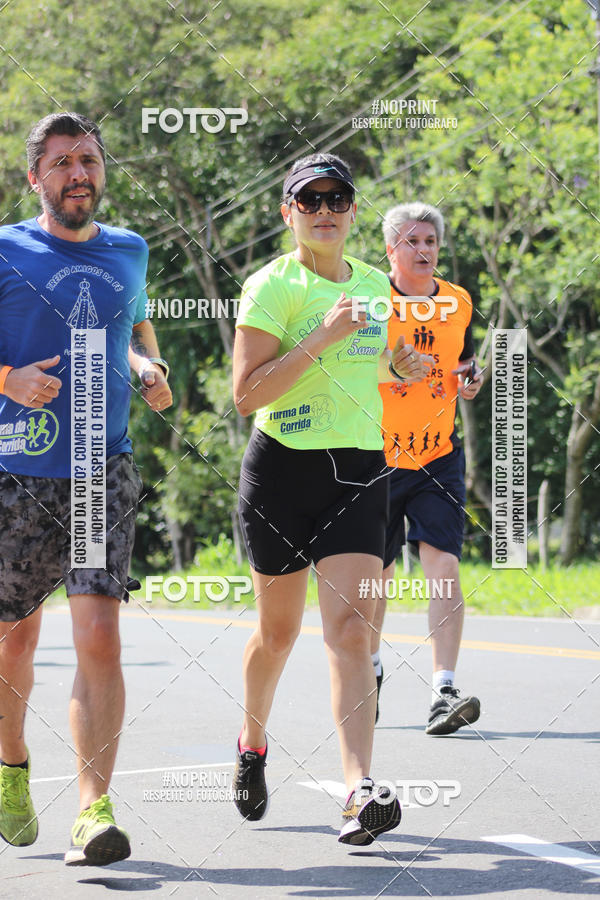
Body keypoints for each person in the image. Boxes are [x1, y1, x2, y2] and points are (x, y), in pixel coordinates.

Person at [231, 153, 429, 845]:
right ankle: (252, 741)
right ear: (288, 212)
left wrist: (399, 364)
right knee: (277, 635)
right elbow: (247, 394)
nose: (323, 210)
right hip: (282, 471)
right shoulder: (270, 287)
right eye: (308, 199)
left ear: (352, 212)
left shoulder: (378, 284)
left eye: (336, 199)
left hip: (359, 470)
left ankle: (357, 791)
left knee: (350, 633)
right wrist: (322, 336)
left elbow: (375, 361)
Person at [0, 112, 172, 865]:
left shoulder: (130, 250)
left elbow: (133, 329)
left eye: (91, 160)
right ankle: (10, 766)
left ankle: (92, 809)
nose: (80, 174)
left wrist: (147, 369)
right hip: (16, 471)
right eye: (64, 162)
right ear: (35, 177)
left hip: (105, 467)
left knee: (99, 632)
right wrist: (9, 378)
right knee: (15, 638)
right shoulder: (6, 248)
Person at [371, 202, 483, 735]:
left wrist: (470, 379)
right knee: (378, 577)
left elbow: (462, 360)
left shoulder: (458, 301)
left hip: (439, 453)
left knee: (444, 566)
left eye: (431, 243)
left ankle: (444, 689)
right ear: (390, 249)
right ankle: (366, 673)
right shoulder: (372, 301)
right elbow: (341, 367)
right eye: (411, 242)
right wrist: (389, 369)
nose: (423, 252)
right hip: (375, 457)